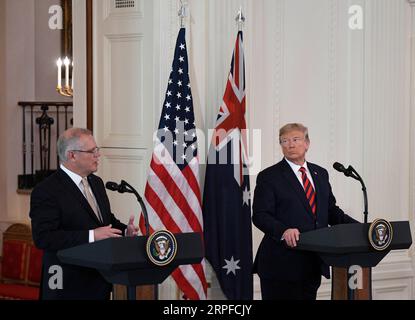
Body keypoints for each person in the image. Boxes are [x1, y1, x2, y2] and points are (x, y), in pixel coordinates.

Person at [252, 123, 358, 300]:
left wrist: (361, 229)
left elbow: (331, 211)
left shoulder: (320, 173)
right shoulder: (269, 176)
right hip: (280, 266)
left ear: (307, 143)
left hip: (312, 264)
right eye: (284, 141)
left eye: (295, 139)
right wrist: (283, 231)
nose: (290, 145)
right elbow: (260, 215)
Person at [30, 128, 139, 300]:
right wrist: (91, 236)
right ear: (72, 155)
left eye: (97, 150)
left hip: (99, 281)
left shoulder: (96, 183)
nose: (98, 155)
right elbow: (44, 237)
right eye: (92, 151)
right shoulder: (47, 191)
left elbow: (105, 222)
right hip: (66, 284)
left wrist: (125, 231)